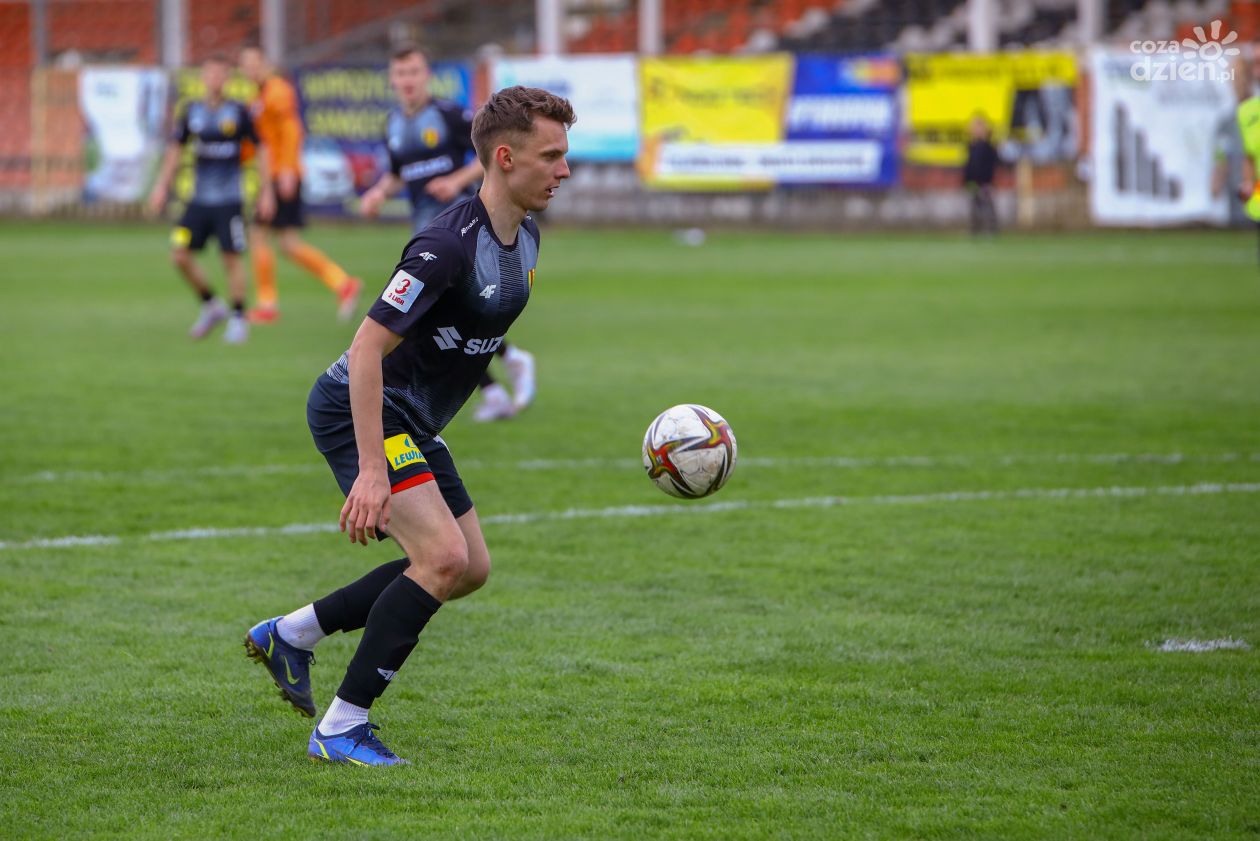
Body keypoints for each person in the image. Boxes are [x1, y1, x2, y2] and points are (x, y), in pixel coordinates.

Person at [244, 85, 575, 766]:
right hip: (359, 407)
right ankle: (341, 727)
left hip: (413, 417)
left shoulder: (526, 237)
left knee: (469, 567)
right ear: (506, 158)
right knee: (442, 557)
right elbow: (366, 349)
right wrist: (372, 469)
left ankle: (292, 634)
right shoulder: (443, 247)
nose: (564, 170)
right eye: (551, 156)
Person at [360, 44, 536, 422]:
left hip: (462, 228)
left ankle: (500, 379)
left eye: (414, 72)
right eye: (401, 73)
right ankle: (503, 373)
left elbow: (489, 156)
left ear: (426, 75)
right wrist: (377, 193)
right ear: (393, 79)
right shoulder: (394, 124)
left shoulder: (449, 115)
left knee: (441, 311)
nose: (408, 80)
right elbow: (398, 174)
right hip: (426, 232)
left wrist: (454, 180)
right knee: (445, 314)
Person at [148, 54, 275, 343]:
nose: (215, 79)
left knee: (231, 258)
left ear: (227, 78)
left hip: (229, 200)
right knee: (179, 254)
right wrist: (161, 186)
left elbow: (261, 148)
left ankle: (239, 318)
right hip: (197, 201)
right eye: (210, 73)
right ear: (203, 77)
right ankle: (212, 306)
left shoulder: (239, 111)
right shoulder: (191, 111)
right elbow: (175, 149)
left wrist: (267, 191)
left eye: (221, 74)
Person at [238, 45, 363, 324]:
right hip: (274, 173)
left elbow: (291, 131)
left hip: (280, 174)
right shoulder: (257, 97)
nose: (250, 69)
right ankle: (342, 283)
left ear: (265, 63)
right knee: (287, 243)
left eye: (254, 63)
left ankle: (268, 304)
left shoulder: (277, 91)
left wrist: (286, 171)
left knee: (260, 235)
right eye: (245, 65)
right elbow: (257, 140)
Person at [962, 115, 999, 237]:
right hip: (973, 183)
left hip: (985, 184)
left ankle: (991, 230)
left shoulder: (989, 147)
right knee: (974, 209)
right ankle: (975, 231)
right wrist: (967, 181)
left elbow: (990, 167)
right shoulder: (971, 147)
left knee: (987, 208)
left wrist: (987, 182)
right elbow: (969, 167)